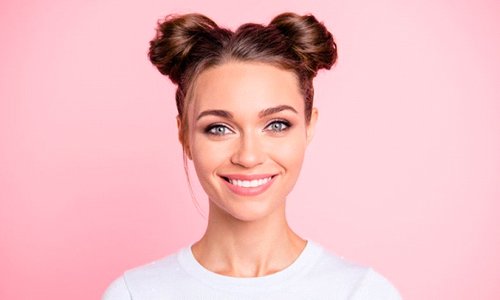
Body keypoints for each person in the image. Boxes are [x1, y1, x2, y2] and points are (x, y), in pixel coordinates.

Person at [102, 12, 402, 300]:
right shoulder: (135, 294)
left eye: (276, 125)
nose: (248, 156)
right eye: (219, 128)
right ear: (185, 135)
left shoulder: (364, 294)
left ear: (309, 127)